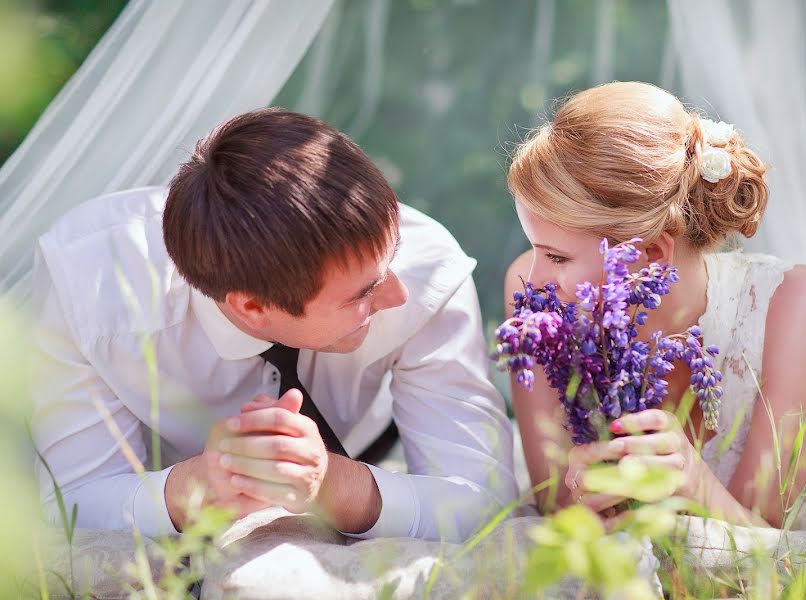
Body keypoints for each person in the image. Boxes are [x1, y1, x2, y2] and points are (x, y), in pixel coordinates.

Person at [30, 108, 516, 542]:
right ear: (251, 308)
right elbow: (69, 502)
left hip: (371, 443)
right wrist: (200, 484)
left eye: (391, 260)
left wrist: (334, 485)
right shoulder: (87, 288)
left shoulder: (428, 268)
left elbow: (481, 498)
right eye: (363, 292)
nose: (397, 294)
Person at [504, 81, 806, 527]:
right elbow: (555, 508)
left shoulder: (800, 306)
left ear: (649, 255)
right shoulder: (537, 298)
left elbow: (764, 538)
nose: (535, 277)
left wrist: (694, 482)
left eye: (557, 256)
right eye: (536, 248)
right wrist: (586, 494)